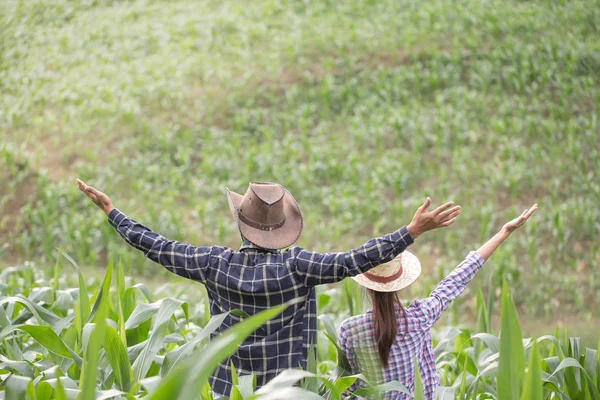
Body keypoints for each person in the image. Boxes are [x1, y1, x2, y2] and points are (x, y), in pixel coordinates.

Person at [76, 179, 460, 397]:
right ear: (283, 229)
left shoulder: (214, 264)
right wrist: (409, 232)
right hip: (289, 393)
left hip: (230, 392)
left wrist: (113, 213)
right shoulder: (299, 267)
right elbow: (354, 260)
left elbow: (157, 247)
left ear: (242, 223)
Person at [337, 204, 537, 399]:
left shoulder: (349, 330)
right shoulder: (419, 318)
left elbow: (347, 388)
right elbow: (455, 280)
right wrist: (503, 232)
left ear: (365, 284)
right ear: (399, 282)